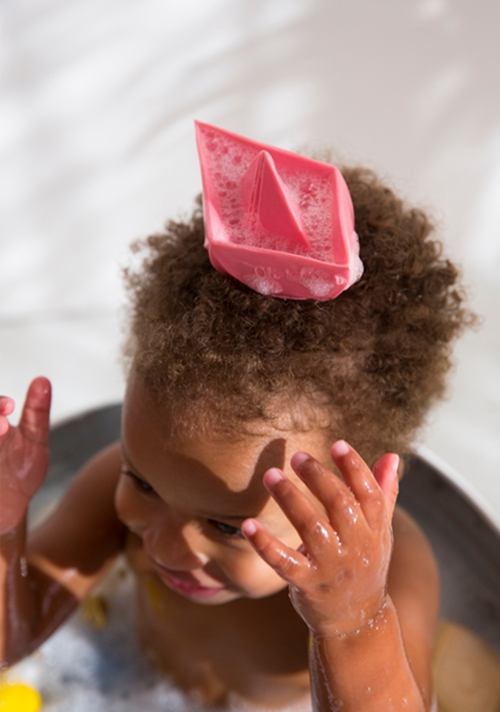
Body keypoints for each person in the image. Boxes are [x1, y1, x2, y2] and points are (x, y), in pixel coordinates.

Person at [0, 124, 473, 711]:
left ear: (351, 496)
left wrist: (352, 623)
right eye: (141, 480)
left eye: (228, 528)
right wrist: (6, 523)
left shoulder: (390, 576)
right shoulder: (116, 494)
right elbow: (11, 640)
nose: (166, 548)